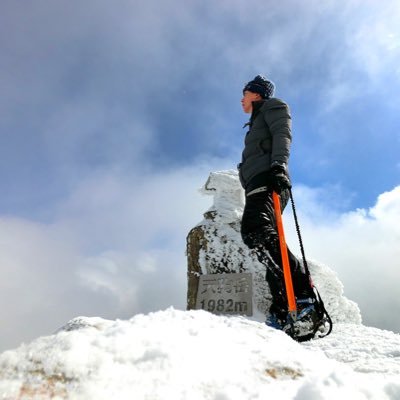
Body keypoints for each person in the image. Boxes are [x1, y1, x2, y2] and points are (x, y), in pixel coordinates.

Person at [238, 75, 324, 341]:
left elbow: (282, 134)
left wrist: (278, 166)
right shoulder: (254, 122)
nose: (241, 99)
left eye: (245, 93)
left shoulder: (273, 106)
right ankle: (283, 307)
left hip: (268, 177)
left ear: (257, 94)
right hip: (258, 181)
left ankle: (302, 296)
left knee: (255, 229)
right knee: (266, 238)